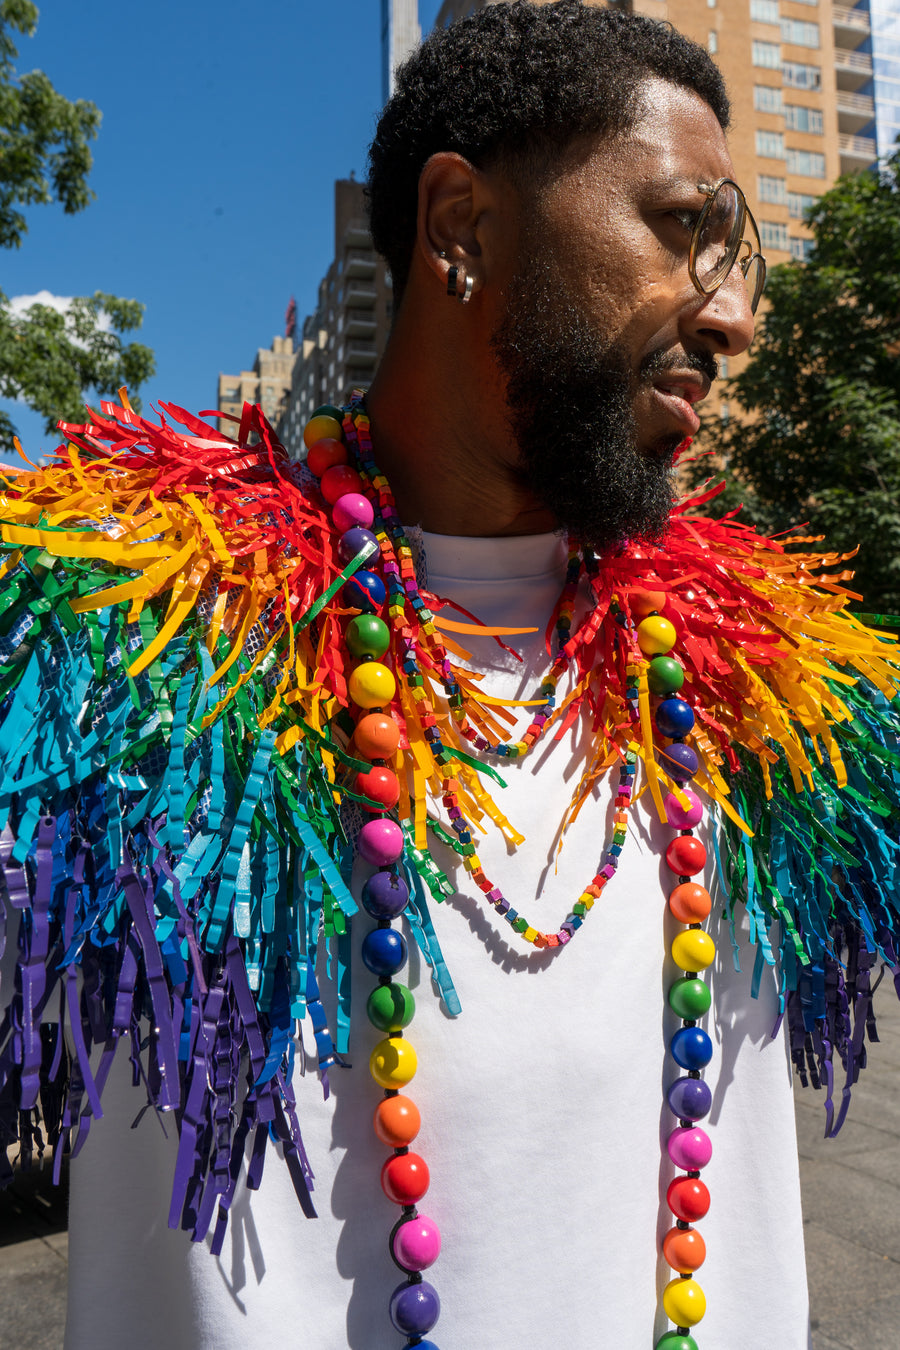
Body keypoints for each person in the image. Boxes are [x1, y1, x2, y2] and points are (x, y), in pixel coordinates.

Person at [0, 5, 897, 1349]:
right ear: (461, 225)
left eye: (736, 258)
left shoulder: (780, 689)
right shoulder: (113, 656)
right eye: (677, 228)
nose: (728, 317)